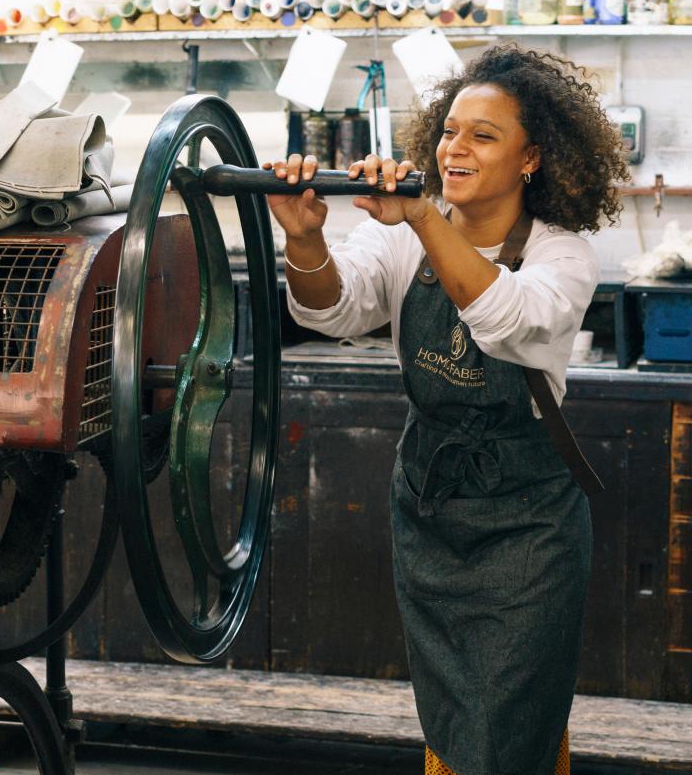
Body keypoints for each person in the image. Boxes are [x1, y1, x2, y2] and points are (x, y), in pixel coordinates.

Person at [266, 45, 629, 775]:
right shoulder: (399, 235)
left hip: (527, 522)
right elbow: (334, 309)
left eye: (484, 136)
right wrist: (304, 238)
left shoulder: (564, 256)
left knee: (510, 718)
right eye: (450, 131)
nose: (455, 148)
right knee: (455, 713)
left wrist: (427, 219)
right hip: (431, 507)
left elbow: (507, 319)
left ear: (532, 158)